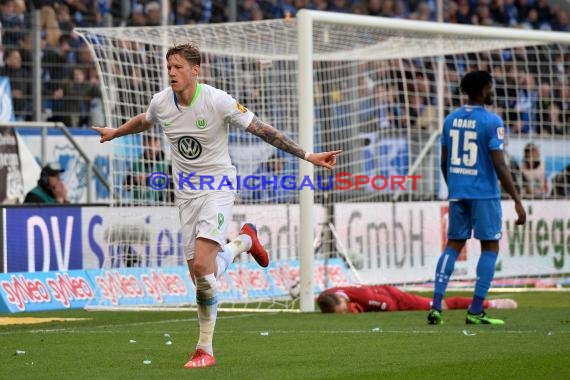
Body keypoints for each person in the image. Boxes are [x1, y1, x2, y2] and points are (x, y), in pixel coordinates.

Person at [92, 43, 341, 369]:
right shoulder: (162, 102)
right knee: (201, 276)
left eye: (178, 67)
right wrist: (115, 132)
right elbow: (145, 120)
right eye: (169, 67)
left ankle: (204, 350)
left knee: (202, 269)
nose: (171, 72)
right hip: (185, 194)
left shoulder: (217, 100)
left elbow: (264, 131)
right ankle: (244, 241)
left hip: (218, 186)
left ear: (196, 70)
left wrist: (308, 156)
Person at [428, 70, 526, 326]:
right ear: (484, 89)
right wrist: (516, 199)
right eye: (490, 86)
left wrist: (456, 187)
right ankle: (475, 310)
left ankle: (436, 306)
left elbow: (443, 161)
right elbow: (499, 165)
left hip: (458, 192)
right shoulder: (492, 121)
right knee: (490, 247)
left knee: (453, 244)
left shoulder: (450, 119)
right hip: (484, 194)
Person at [317, 285, 518, 314]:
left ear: (341, 300)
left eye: (343, 310)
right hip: (380, 293)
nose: (344, 313)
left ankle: (492, 303)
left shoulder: (365, 298)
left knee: (442, 306)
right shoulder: (325, 296)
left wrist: (357, 309)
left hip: (394, 297)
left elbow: (392, 306)